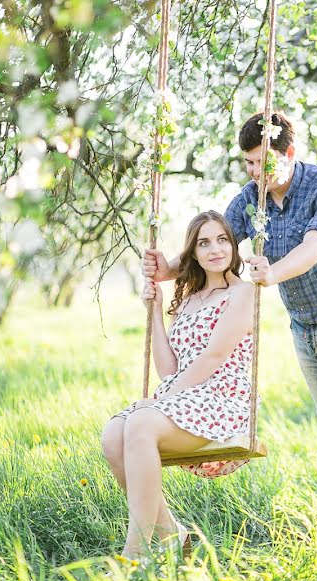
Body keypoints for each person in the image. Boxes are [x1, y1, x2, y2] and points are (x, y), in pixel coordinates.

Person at [143, 111, 317, 533]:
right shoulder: (249, 200)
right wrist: (166, 269)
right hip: (306, 327)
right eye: (249, 164)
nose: (256, 172)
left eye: (264, 162)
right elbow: (213, 244)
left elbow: (315, 246)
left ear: (289, 152)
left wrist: (273, 274)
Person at [101, 210, 256, 563]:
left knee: (139, 422)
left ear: (232, 245)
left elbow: (213, 357)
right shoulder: (188, 300)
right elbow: (169, 368)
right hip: (185, 397)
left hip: (222, 401)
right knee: (113, 434)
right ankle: (172, 534)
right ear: (194, 253)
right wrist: (155, 310)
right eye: (204, 243)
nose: (215, 249)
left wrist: (162, 400)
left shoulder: (244, 294)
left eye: (221, 240)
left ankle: (136, 554)